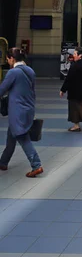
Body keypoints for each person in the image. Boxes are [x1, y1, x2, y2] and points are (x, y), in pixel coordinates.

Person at [0, 48, 43, 177]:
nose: (7, 62)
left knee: (22, 136)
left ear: (12, 58)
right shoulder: (30, 71)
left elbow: (2, 90)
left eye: (7, 59)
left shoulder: (13, 73)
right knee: (12, 135)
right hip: (28, 108)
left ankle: (36, 165)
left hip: (17, 110)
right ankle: (3, 162)